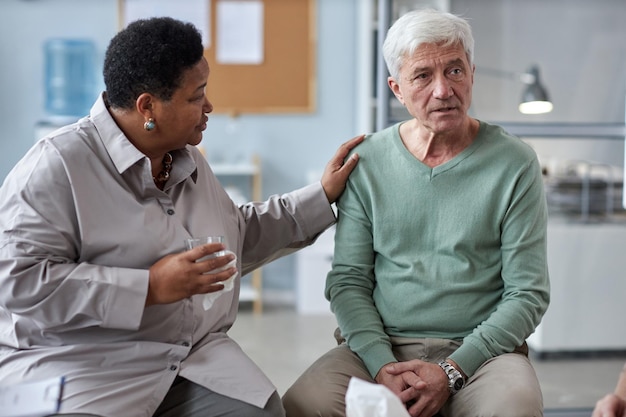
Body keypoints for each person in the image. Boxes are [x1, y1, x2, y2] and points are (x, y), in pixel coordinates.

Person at [0, 17, 363, 417]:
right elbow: (17, 281)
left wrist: (323, 195)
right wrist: (148, 287)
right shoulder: (57, 166)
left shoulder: (184, 159)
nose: (209, 107)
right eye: (197, 96)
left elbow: (235, 237)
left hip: (187, 360)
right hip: (83, 364)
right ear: (148, 107)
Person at [283, 8, 550, 417]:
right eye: (423, 76)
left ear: (472, 74)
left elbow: (527, 293)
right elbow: (349, 281)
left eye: (455, 71)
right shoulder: (366, 161)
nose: (443, 90)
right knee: (303, 404)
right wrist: (381, 363)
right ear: (397, 88)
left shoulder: (515, 163)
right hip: (380, 346)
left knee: (514, 408)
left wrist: (452, 370)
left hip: (482, 355)